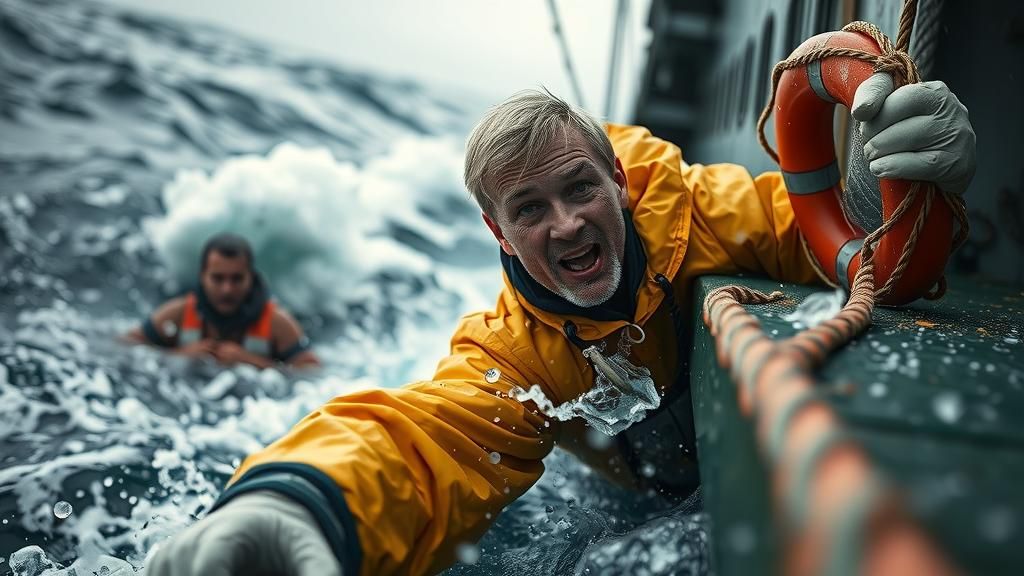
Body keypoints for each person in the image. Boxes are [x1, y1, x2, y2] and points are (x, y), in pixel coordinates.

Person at [145, 74, 975, 576]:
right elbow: (429, 440)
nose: (568, 225)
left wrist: (901, 188)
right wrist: (303, 503)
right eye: (530, 210)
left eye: (581, 189)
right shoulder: (519, 349)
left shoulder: (711, 215)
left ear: (617, 179)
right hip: (622, 488)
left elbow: (842, 244)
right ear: (498, 234)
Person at [125, 233, 320, 369]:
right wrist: (178, 355)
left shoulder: (277, 324)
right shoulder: (177, 314)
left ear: (251, 278)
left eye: (237, 279)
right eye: (218, 279)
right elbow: (124, 347)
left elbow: (312, 372)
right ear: (202, 277)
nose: (227, 289)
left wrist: (254, 362)